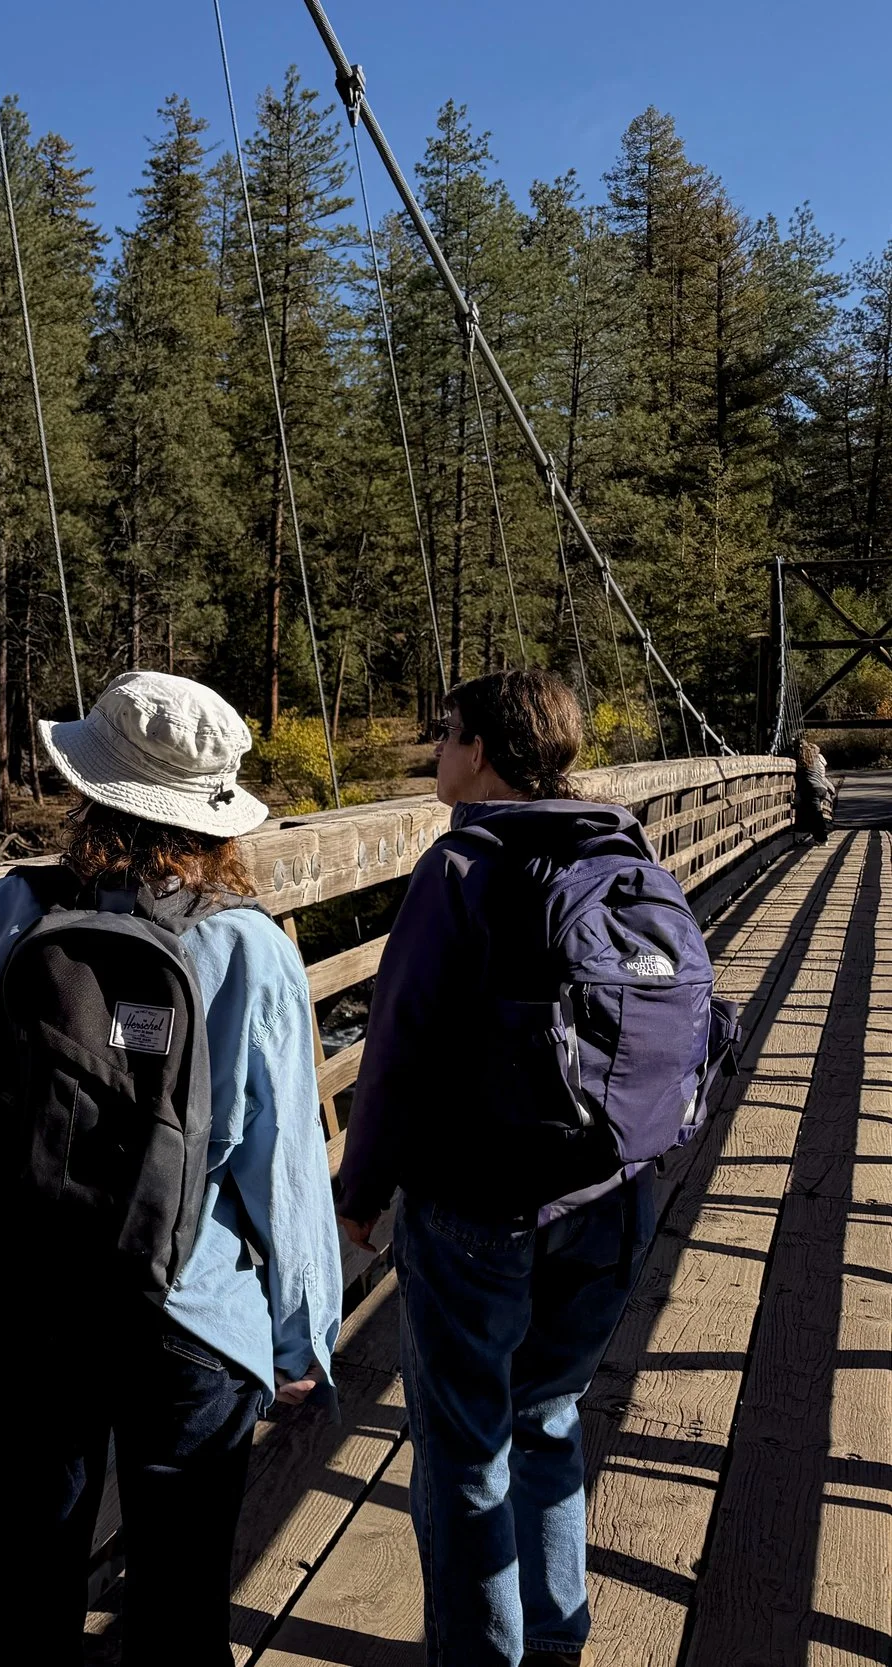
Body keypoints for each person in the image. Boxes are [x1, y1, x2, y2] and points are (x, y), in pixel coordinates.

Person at [0, 670, 342, 1667]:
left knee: (29, 1593)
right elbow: (284, 1165)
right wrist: (304, 1333)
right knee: (177, 1611)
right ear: (213, 814)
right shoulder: (249, 946)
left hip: (24, 1295)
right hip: (191, 1310)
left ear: (87, 786)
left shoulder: (8, 907)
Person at [338, 668, 723, 1667]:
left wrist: (360, 1195)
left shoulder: (461, 867)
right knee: (547, 1416)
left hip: (481, 1204)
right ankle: (551, 1633)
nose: (436, 751)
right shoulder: (622, 847)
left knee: (465, 1449)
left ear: (483, 752)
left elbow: (397, 1046)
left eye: (446, 734)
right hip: (613, 1188)